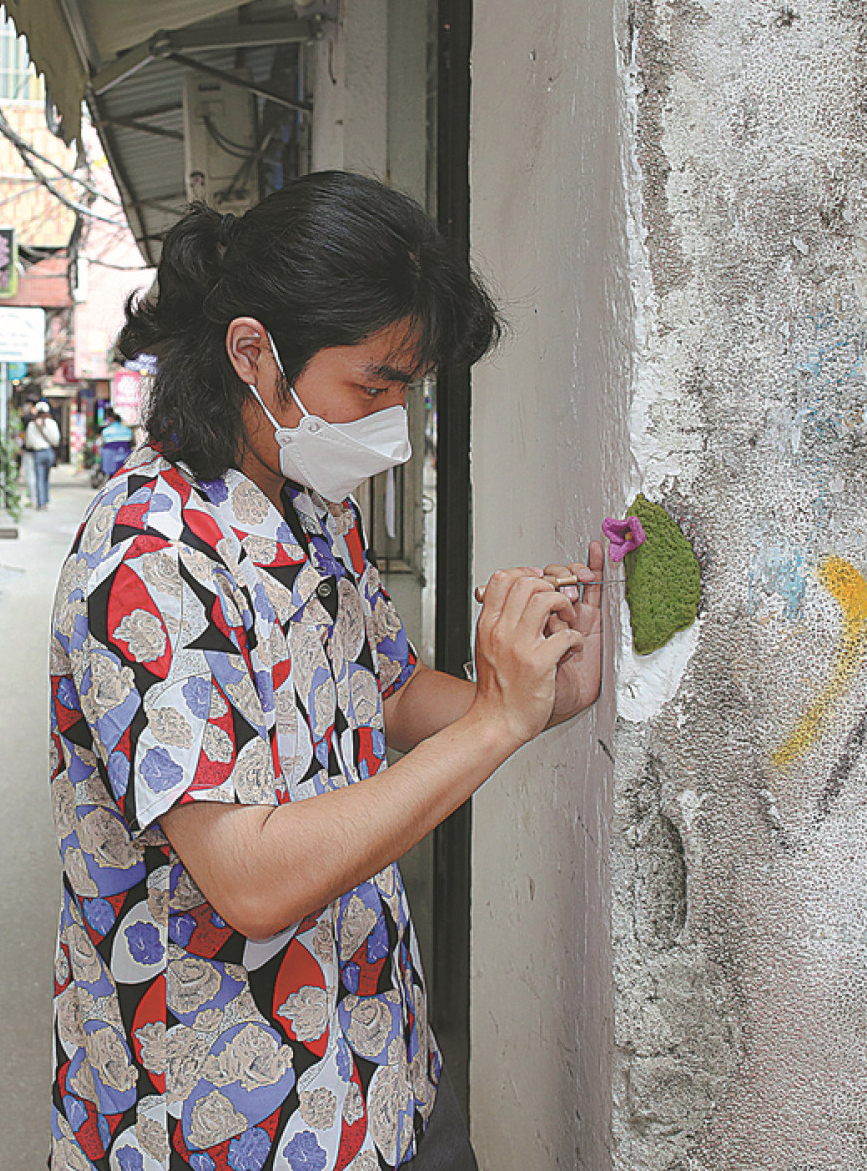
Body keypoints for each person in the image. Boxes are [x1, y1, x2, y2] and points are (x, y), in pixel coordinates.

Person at [46, 171, 604, 1171]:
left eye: (409, 389)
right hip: (225, 1120)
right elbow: (249, 879)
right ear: (252, 351)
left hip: (381, 1072)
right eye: (374, 385)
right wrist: (493, 727)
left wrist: (535, 689)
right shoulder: (147, 559)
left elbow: (380, 691)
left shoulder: (311, 508)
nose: (393, 421)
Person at [24, 400, 61, 509]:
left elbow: (28, 442)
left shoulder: (31, 425)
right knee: (46, 477)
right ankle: (45, 500)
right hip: (48, 452)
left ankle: (41, 503)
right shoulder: (52, 423)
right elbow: (56, 440)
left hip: (38, 453)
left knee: (39, 477)